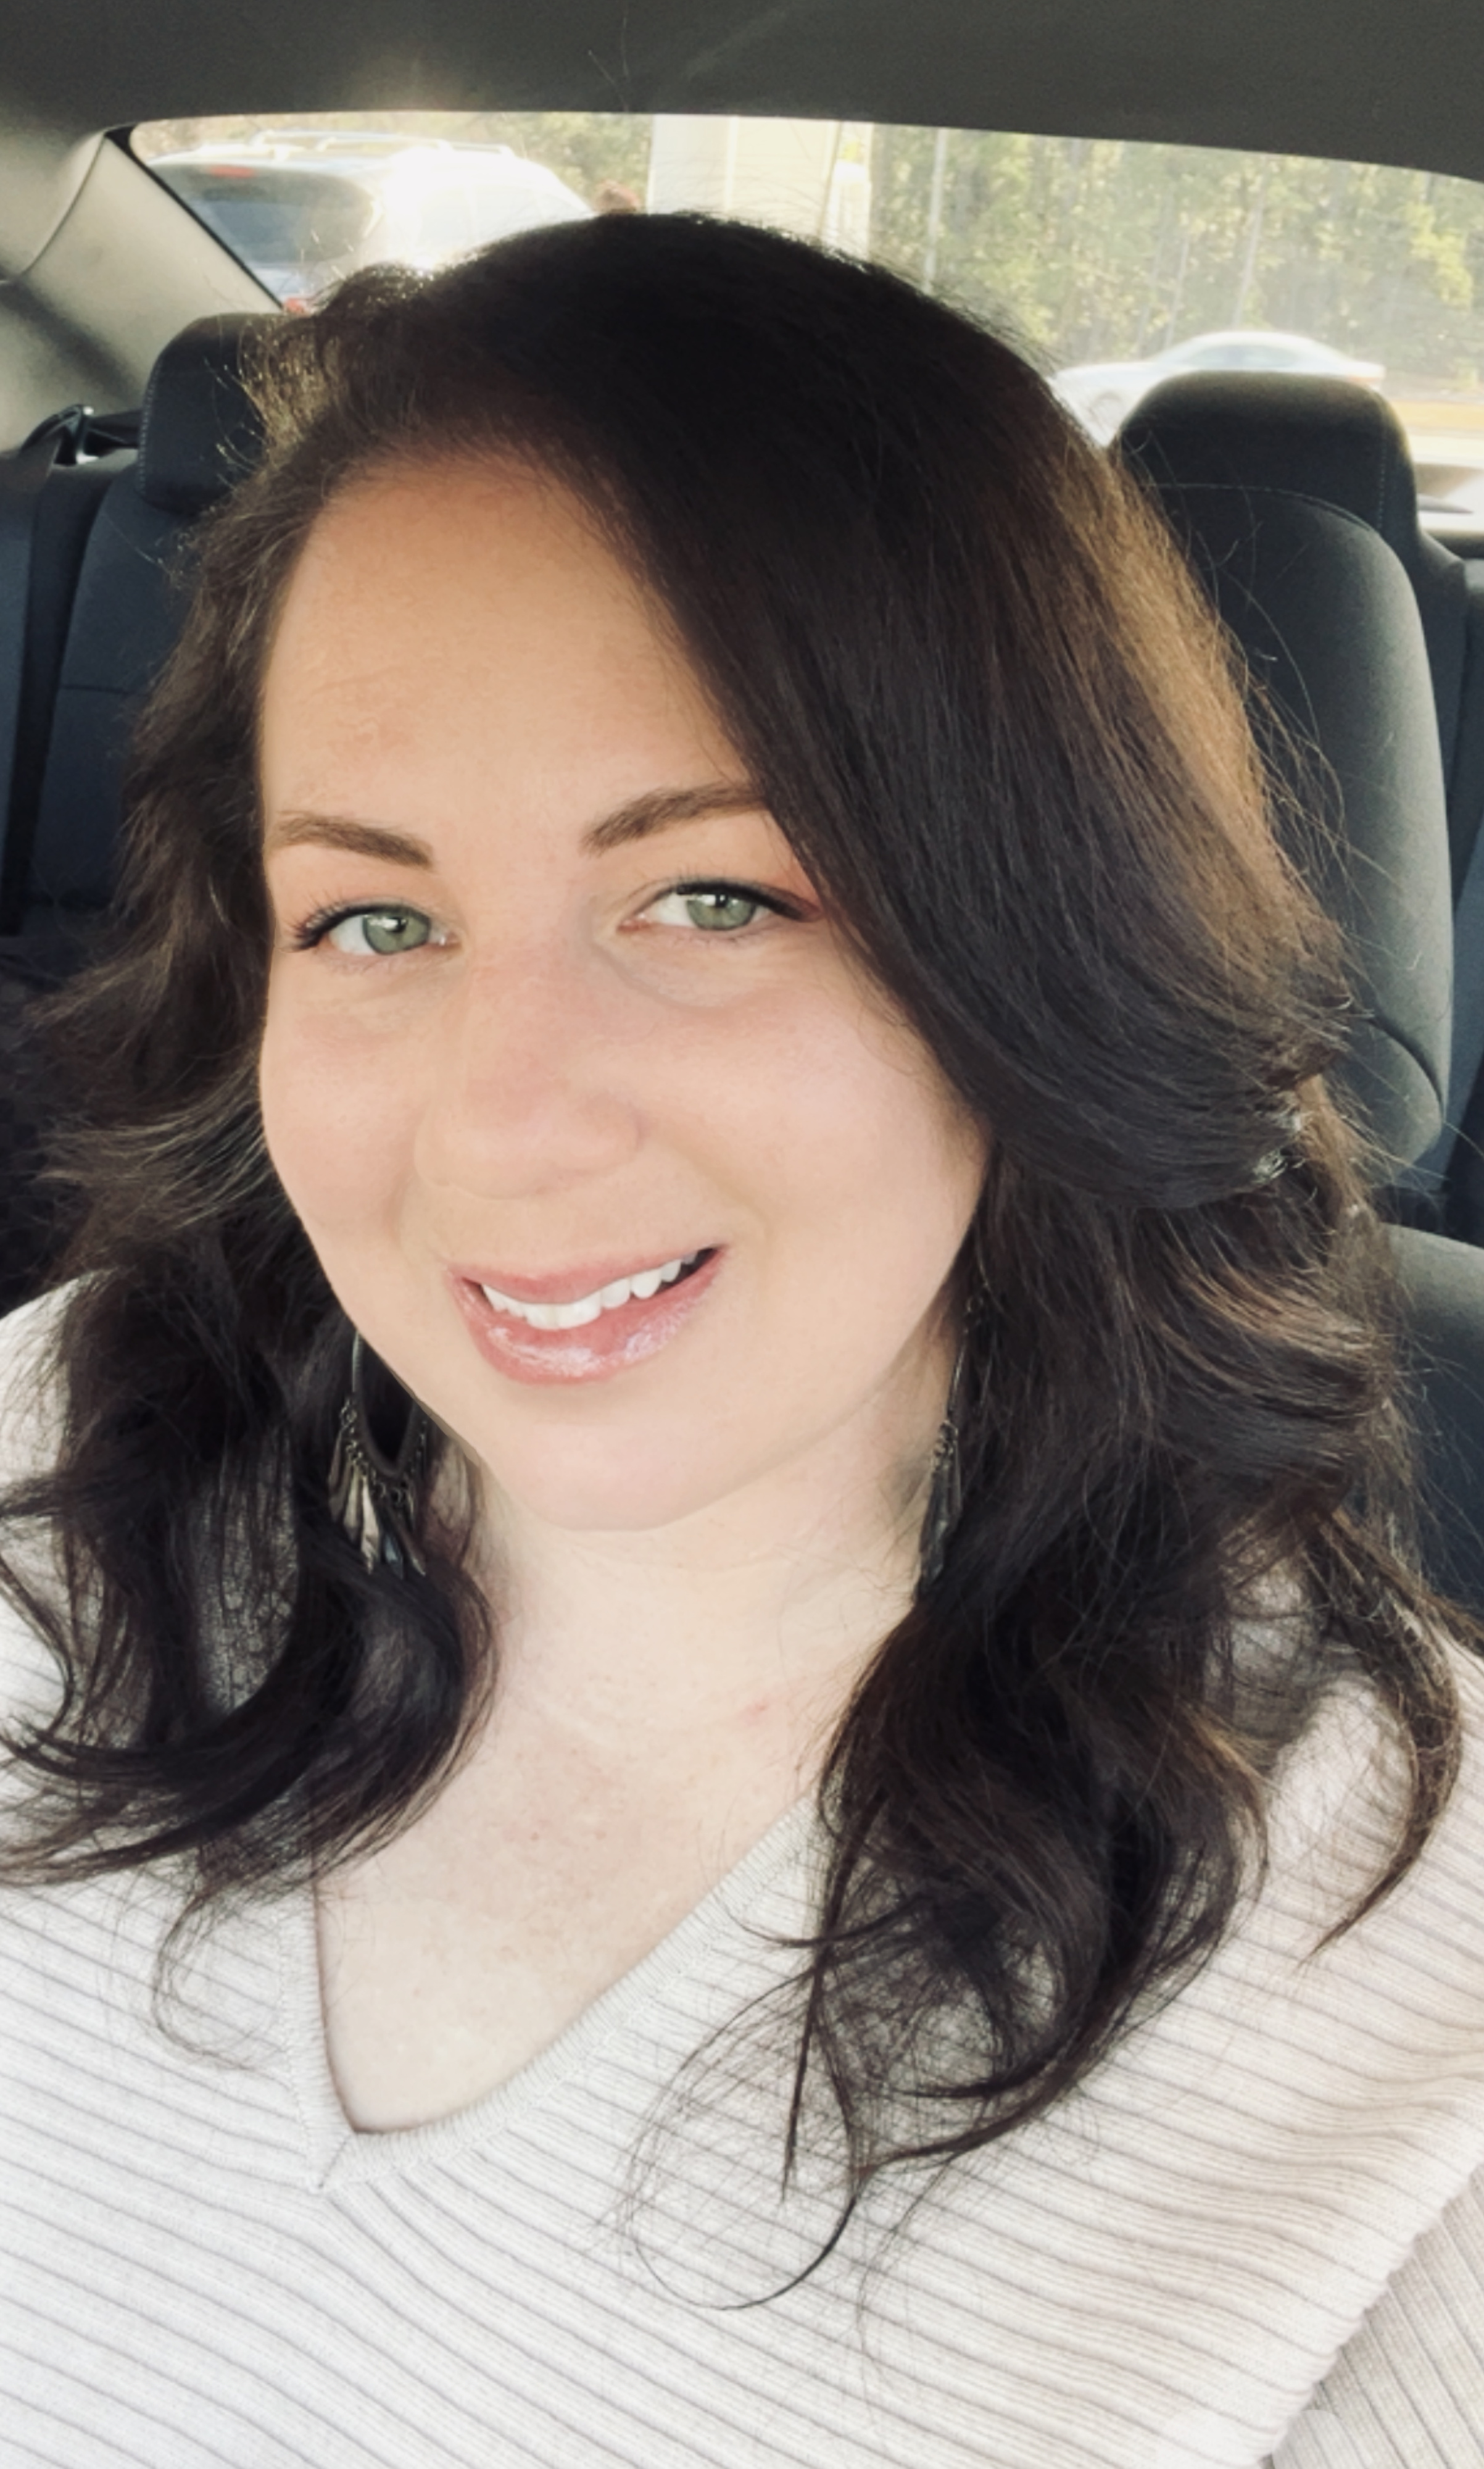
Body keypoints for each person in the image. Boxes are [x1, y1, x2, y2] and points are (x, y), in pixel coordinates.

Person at [1, 211, 1482, 2469]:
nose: (501, 1127)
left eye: (713, 896)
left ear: (1032, 949)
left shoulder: (1418, 2025)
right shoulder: (54, 1454)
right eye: (374, 917)